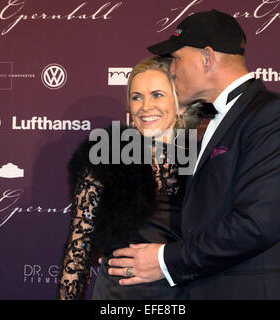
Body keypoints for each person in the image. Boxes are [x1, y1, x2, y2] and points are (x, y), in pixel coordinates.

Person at [107, 9, 280, 299]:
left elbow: (256, 224)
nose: (172, 70)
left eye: (176, 59)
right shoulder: (209, 124)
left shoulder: (272, 114)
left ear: (207, 57)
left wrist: (165, 260)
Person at [58, 56, 199, 300]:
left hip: (184, 295)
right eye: (137, 97)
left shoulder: (204, 160)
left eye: (157, 95)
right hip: (116, 297)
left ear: (179, 104)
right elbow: (77, 252)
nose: (145, 106)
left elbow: (220, 244)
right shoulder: (104, 158)